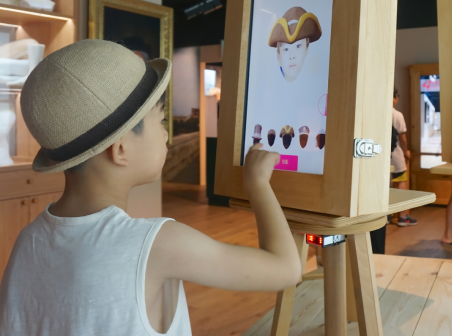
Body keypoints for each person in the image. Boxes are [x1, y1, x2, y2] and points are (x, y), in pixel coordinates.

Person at [0, 40, 301, 335]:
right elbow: (286, 269)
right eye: (161, 120)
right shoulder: (156, 244)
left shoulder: (28, 241)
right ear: (121, 150)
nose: (167, 134)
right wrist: (257, 183)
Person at [390, 87, 416, 226]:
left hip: (380, 155)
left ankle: (385, 216)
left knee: (386, 183)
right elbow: (402, 137)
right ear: (394, 97)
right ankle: (403, 216)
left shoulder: (377, 112)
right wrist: (406, 152)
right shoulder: (397, 115)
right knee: (401, 181)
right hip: (395, 154)